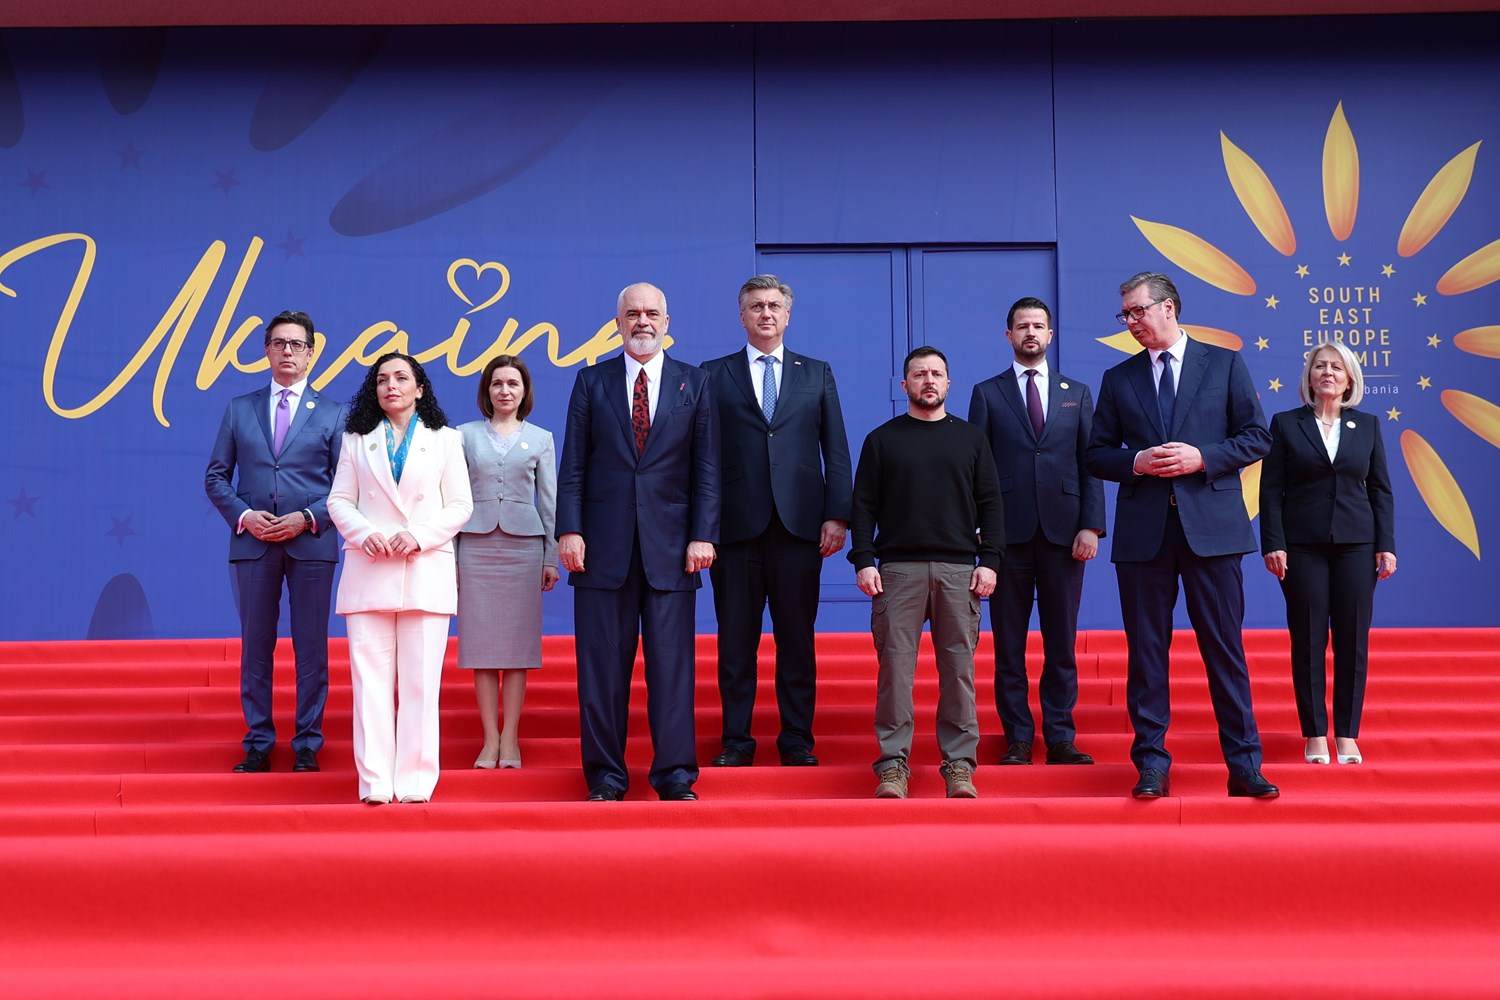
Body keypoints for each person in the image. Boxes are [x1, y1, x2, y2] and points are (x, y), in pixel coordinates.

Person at [1085, 271, 1279, 800]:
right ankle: (1151, 764)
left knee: (1225, 651)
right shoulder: (1118, 378)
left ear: (1168, 307)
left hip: (1212, 533)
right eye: (1124, 315)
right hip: (1144, 537)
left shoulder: (1224, 363)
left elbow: (1257, 437)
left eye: (1137, 311)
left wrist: (1203, 457)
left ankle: (1244, 766)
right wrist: (1137, 462)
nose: (1130, 322)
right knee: (1147, 654)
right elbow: (1096, 453)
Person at [556, 282, 721, 802]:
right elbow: (573, 465)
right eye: (632, 314)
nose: (642, 321)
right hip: (601, 550)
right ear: (618, 323)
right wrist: (569, 529)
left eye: (651, 313)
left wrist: (703, 534)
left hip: (672, 551)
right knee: (601, 674)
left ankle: (675, 776)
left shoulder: (696, 383)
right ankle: (606, 778)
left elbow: (707, 468)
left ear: (667, 323)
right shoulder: (591, 381)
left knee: (672, 672)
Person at [703, 275, 853, 768]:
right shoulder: (713, 373)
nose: (765, 314)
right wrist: (704, 526)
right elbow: (701, 455)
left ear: (787, 315)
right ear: (742, 316)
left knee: (797, 641)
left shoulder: (817, 373)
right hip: (734, 530)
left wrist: (837, 515)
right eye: (756, 306)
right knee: (735, 642)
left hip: (799, 527)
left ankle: (796, 740)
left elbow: (836, 449)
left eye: (773, 306)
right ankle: (736, 741)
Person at [849, 346, 1003, 800]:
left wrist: (990, 560)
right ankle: (892, 766)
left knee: (958, 673)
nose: (928, 381)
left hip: (959, 571)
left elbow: (992, 504)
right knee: (895, 673)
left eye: (936, 374)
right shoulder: (882, 440)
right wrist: (863, 559)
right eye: (919, 375)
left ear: (949, 383)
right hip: (898, 572)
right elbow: (863, 506)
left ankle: (959, 766)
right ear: (905, 385)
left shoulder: (971, 439)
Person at [327, 352, 473, 804]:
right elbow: (338, 501)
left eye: (401, 378)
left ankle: (414, 782)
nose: (391, 385)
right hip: (369, 569)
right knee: (369, 685)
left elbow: (461, 505)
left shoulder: (446, 439)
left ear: (420, 389)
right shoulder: (356, 440)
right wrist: (364, 532)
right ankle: (374, 782)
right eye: (382, 379)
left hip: (424, 570)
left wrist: (418, 536)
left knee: (420, 685)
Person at [968, 296, 1106, 767]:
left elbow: (1090, 463)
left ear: (1050, 334)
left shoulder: (1077, 393)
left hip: (1065, 536)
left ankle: (1061, 736)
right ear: (1008, 335)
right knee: (1009, 644)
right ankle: (1018, 739)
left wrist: (1091, 525)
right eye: (1022, 326)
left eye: (1038, 325)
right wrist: (982, 531)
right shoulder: (987, 393)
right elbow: (977, 467)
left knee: (1061, 642)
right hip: (1006, 537)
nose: (1030, 332)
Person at [205, 310, 344, 775]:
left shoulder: (333, 413)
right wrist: (245, 516)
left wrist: (307, 518)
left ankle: (307, 743)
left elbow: (347, 486)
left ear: (311, 353)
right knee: (255, 646)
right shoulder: (239, 408)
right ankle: (259, 742)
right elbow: (216, 476)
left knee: (312, 648)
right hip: (254, 542)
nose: (288, 351)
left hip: (312, 543)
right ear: (266, 350)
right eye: (279, 343)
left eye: (297, 344)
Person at [1260, 341, 1396, 766]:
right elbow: (1271, 490)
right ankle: (1316, 733)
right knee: (1308, 639)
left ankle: (1347, 734)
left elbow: (1380, 490)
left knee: (1353, 641)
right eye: (1320, 366)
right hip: (1302, 546)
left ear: (1350, 378)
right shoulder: (1286, 423)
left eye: (1337, 367)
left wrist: (1386, 545)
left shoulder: (1368, 425)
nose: (1328, 373)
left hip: (1358, 544)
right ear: (1309, 376)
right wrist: (1273, 542)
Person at [456, 354, 560, 770]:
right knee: (481, 648)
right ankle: (490, 740)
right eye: (497, 383)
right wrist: (450, 556)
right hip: (474, 547)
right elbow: (452, 499)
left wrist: (552, 556)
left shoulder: (541, 438)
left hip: (524, 550)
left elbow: (549, 502)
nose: (504, 391)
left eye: (513, 384)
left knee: (518, 650)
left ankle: (511, 739)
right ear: (487, 390)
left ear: (524, 391)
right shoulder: (462, 436)